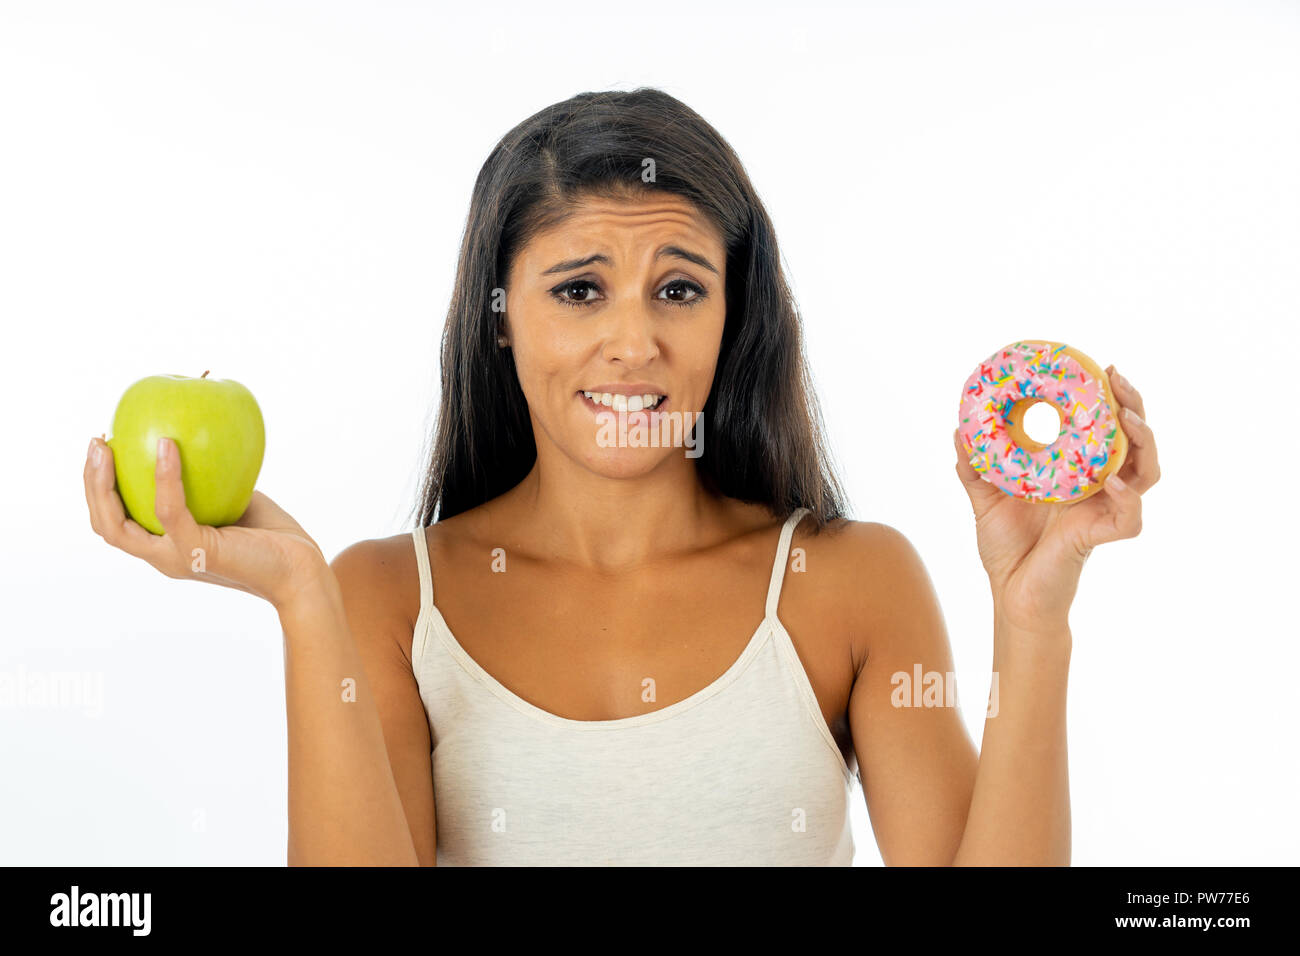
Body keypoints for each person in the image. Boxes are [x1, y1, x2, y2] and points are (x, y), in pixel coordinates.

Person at [83, 87, 1160, 866]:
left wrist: (1033, 617)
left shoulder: (850, 580)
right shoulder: (383, 596)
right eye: (580, 289)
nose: (633, 340)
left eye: (680, 289)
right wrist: (300, 599)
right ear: (500, 322)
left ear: (734, 319)